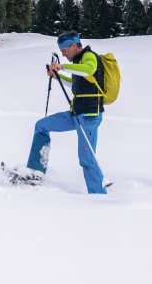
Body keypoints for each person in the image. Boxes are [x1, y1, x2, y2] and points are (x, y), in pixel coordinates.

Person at [11, 31, 107, 194]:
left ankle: (98, 195)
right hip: (75, 114)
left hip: (89, 117)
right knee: (41, 126)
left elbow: (89, 70)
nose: (62, 54)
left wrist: (62, 66)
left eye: (64, 50)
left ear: (75, 45)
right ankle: (35, 172)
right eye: (61, 51)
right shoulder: (77, 63)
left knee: (87, 158)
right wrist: (57, 76)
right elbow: (75, 84)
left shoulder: (89, 56)